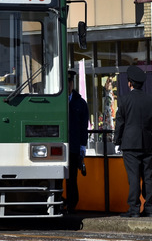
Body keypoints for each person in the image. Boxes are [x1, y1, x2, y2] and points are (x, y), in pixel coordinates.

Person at [113, 65, 152, 218]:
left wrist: (116, 141)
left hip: (130, 143)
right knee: (148, 176)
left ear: (130, 83)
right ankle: (150, 209)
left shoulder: (124, 100)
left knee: (133, 177)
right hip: (146, 142)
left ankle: (134, 209)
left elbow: (120, 123)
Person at [65, 69, 88, 214]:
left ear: (72, 83)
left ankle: (72, 204)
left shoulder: (80, 102)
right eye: (65, 82)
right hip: (60, 145)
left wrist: (82, 146)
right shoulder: (56, 100)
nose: (68, 85)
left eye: (69, 82)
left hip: (73, 146)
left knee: (72, 177)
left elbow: (83, 126)